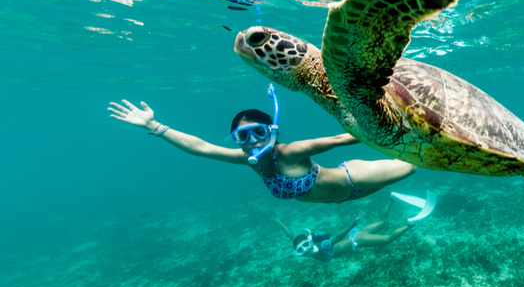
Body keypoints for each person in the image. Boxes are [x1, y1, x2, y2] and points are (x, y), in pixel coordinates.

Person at [107, 84, 416, 203]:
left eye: (257, 132)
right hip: (346, 198)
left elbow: (339, 139)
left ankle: (419, 124)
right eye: (242, 136)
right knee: (396, 178)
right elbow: (201, 148)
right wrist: (155, 126)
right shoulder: (249, 161)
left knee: (412, 166)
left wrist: (396, 127)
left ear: (272, 131)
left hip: (354, 178)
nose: (252, 141)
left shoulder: (290, 152)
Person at [276, 191, 435, 262]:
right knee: (382, 224)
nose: (304, 251)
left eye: (305, 246)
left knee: (387, 239)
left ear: (310, 241)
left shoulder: (322, 246)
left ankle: (410, 224)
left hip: (355, 238)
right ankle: (391, 199)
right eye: (300, 250)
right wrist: (279, 223)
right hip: (354, 233)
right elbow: (292, 236)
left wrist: (353, 223)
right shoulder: (308, 248)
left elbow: (337, 237)